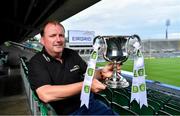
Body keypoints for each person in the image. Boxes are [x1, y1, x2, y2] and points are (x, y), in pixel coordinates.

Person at [28, 20, 119, 115]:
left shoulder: (72, 54)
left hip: (90, 104)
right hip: (70, 112)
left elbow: (88, 76)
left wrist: (102, 72)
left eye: (61, 35)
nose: (58, 40)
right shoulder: (36, 62)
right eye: (52, 36)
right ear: (42, 40)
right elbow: (45, 94)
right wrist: (86, 85)